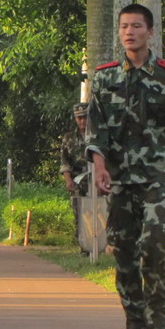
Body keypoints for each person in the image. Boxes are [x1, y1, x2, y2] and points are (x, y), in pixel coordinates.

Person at [86, 3, 165, 329]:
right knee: (123, 248)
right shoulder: (105, 76)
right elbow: (96, 129)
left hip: (158, 177)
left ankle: (159, 316)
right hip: (120, 179)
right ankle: (135, 321)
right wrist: (100, 168)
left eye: (136, 26)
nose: (129, 32)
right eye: (124, 26)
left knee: (154, 242)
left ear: (150, 32)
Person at [60, 102, 90, 246]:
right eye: (79, 118)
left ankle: (100, 245)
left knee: (101, 212)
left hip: (96, 180)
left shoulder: (98, 136)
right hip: (78, 181)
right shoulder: (69, 138)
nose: (82, 121)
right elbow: (64, 162)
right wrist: (68, 180)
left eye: (85, 117)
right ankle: (83, 245)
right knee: (79, 214)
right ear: (75, 119)